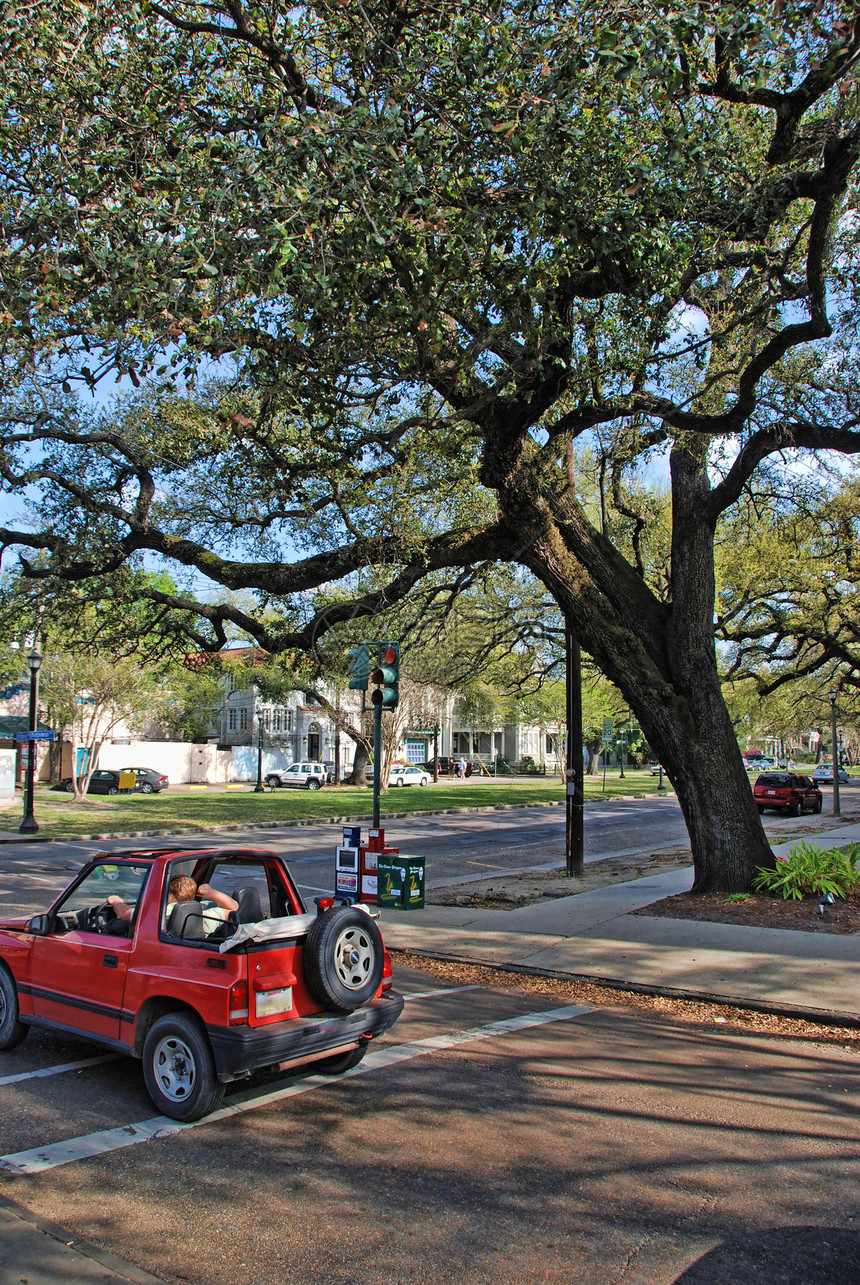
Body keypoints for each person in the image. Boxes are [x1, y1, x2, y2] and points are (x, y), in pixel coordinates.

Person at [108, 876, 238, 936]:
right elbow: (234, 909)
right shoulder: (206, 910)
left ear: (170, 896)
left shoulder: (168, 911)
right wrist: (212, 893)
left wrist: (116, 902)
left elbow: (125, 914)